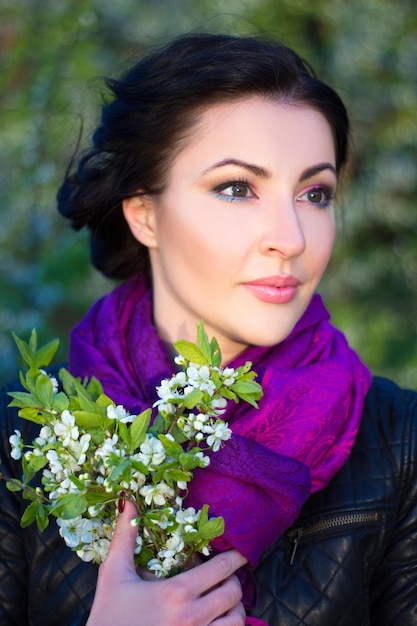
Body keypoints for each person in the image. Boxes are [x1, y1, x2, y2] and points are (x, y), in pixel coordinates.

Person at [0, 32, 416, 626]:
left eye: (314, 193)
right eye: (237, 188)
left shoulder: (399, 445)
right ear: (145, 214)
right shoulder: (16, 449)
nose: (292, 238)